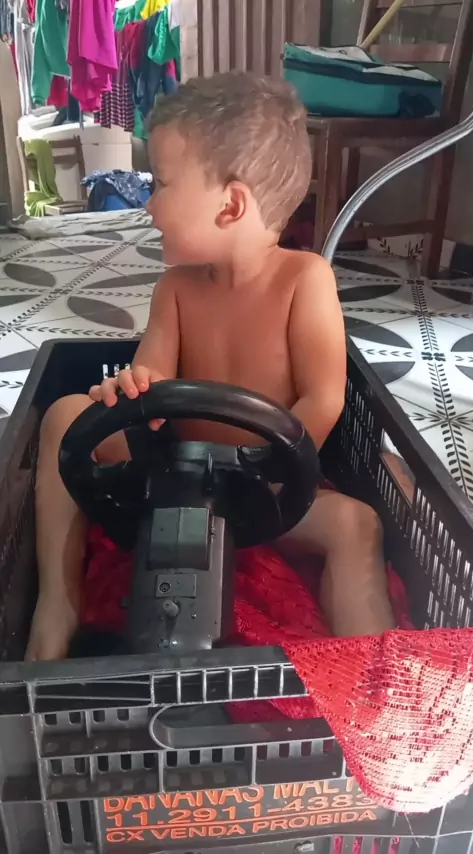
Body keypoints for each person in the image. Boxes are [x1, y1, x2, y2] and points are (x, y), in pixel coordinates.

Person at [27, 72, 395, 662]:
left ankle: (368, 679)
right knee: (65, 415)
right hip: (173, 481)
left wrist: (274, 475)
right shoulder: (174, 289)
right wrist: (132, 386)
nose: (148, 204)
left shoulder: (305, 280)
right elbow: (149, 388)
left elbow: (324, 398)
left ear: (231, 204)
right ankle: (57, 604)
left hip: (270, 491)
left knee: (357, 525)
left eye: (161, 184)